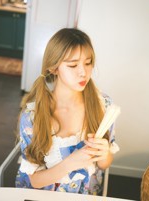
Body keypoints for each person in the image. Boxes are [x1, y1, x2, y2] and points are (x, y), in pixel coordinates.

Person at [15, 28, 120, 195]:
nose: (83, 72)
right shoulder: (33, 116)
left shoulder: (104, 106)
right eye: (73, 65)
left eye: (88, 62)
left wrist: (104, 152)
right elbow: (34, 181)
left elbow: (104, 164)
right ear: (53, 68)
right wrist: (71, 163)